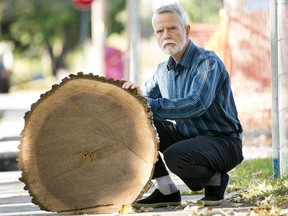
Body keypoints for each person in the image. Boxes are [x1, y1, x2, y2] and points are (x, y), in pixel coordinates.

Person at [122, 2, 243, 207]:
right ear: (155, 36)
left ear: (186, 30)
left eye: (172, 28)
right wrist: (131, 97)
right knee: (137, 119)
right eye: (159, 31)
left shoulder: (207, 62)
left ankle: (216, 181)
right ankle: (166, 190)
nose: (165, 35)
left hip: (223, 142)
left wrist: (149, 102)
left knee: (175, 156)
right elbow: (144, 103)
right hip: (190, 140)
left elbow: (196, 104)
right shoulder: (162, 70)